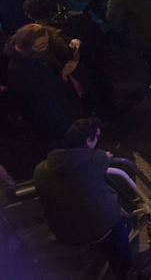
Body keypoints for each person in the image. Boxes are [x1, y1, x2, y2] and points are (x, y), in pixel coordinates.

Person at [33, 118, 140, 279]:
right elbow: (104, 158)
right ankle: (125, 271)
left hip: (65, 232)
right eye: (97, 137)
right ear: (88, 140)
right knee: (117, 231)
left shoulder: (40, 169)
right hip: (100, 228)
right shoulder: (95, 158)